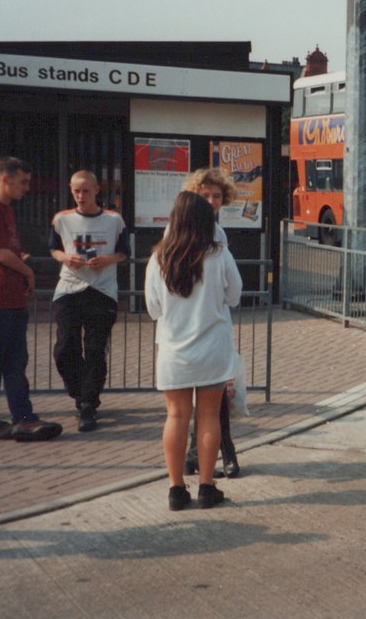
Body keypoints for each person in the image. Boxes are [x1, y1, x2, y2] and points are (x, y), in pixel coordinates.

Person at [146, 191, 242, 510]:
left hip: (173, 350)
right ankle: (206, 485)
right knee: (209, 415)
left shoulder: (159, 257)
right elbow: (235, 296)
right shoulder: (219, 254)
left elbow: (152, 308)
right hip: (213, 347)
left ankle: (176, 489)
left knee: (176, 415)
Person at [0, 157, 62, 441]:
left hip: (11, 298)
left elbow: (7, 252)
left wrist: (19, 264)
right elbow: (0, 253)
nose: (27, 188)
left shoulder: (6, 211)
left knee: (14, 362)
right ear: (5, 179)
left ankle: (23, 418)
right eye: (22, 182)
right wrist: (28, 271)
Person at [49, 171, 130, 432]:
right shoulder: (62, 219)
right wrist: (64, 258)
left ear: (96, 190)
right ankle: (79, 392)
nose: (80, 196)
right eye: (75, 191)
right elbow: (53, 248)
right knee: (64, 347)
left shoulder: (113, 220)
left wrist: (108, 259)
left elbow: (124, 253)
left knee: (95, 349)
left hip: (101, 290)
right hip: (70, 289)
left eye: (85, 191)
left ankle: (88, 404)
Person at [180, 167, 241, 478]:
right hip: (189, 325)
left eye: (217, 196)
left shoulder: (220, 234)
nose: (211, 201)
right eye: (205, 195)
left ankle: (207, 454)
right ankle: (210, 454)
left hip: (215, 322)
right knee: (197, 396)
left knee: (214, 394)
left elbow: (233, 290)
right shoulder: (178, 231)